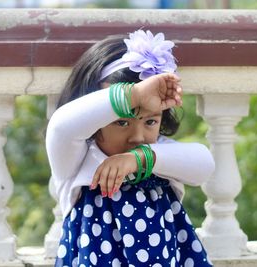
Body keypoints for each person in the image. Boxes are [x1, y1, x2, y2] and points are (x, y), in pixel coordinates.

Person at [46, 29, 215, 267]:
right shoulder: (79, 159)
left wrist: (138, 159)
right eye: (122, 122)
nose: (138, 137)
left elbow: (204, 165)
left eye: (150, 121)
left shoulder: (158, 153)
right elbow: (61, 126)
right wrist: (134, 95)